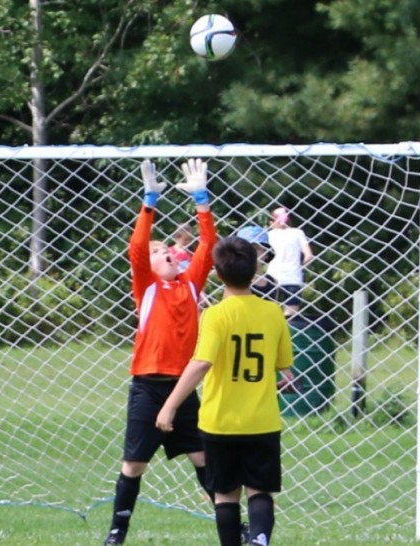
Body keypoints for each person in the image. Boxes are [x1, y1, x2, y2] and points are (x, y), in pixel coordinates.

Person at [102, 158, 218, 545]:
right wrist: (148, 203)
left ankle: (233, 528)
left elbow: (208, 246)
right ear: (148, 267)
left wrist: (202, 202)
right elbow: (137, 248)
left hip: (182, 388)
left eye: (169, 250)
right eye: (159, 252)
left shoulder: (191, 286)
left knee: (204, 460)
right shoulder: (146, 288)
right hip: (148, 388)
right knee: (134, 464)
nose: (167, 252)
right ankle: (117, 532)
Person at [155, 236, 294, 546]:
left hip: (220, 422)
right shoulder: (273, 313)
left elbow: (201, 363)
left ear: (217, 273)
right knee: (259, 491)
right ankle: (259, 539)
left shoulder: (215, 315)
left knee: (225, 495)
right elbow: (284, 364)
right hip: (262, 421)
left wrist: (170, 405)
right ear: (255, 269)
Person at [263, 207, 313, 316]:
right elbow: (308, 255)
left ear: (272, 221)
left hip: (273, 277)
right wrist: (300, 267)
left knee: (269, 312)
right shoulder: (298, 233)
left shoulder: (268, 235)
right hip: (293, 277)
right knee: (291, 314)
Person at [235, 225, 279, 302]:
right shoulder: (234, 279)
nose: (251, 252)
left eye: (256, 248)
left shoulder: (272, 281)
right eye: (245, 249)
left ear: (266, 254)